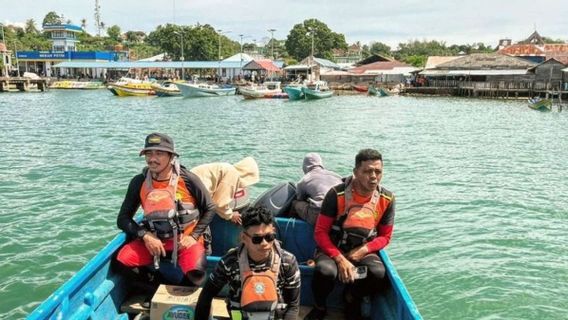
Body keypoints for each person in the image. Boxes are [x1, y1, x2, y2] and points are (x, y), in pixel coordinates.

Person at [115, 133, 217, 288]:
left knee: (196, 276)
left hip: (185, 241)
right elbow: (123, 219)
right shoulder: (139, 182)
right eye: (148, 153)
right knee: (121, 262)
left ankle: (180, 291)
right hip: (154, 241)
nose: (152, 159)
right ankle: (156, 287)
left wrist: (194, 236)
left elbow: (210, 208)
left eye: (159, 154)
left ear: (171, 157)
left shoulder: (188, 179)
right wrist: (145, 236)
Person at [305, 149, 396, 320]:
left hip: (362, 250)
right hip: (332, 249)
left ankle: (352, 296)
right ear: (355, 172)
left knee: (377, 274)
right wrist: (340, 259)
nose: (374, 176)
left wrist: (362, 251)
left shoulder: (387, 199)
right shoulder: (336, 194)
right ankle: (320, 306)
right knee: (326, 272)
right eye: (367, 171)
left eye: (378, 171)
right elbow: (320, 232)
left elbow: (385, 237)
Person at [195, 206, 301, 320]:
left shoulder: (287, 262)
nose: (264, 243)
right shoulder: (229, 263)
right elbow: (206, 296)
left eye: (269, 237)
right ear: (244, 238)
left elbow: (293, 306)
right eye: (257, 239)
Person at [190, 157, 259, 225]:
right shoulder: (233, 174)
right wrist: (231, 215)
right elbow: (219, 204)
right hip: (192, 191)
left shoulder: (228, 169)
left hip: (190, 186)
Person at [291, 153, 342, 225]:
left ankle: (292, 226)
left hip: (320, 215)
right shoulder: (337, 176)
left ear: (304, 167)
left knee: (295, 203)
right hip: (339, 215)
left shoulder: (304, 180)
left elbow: (300, 198)